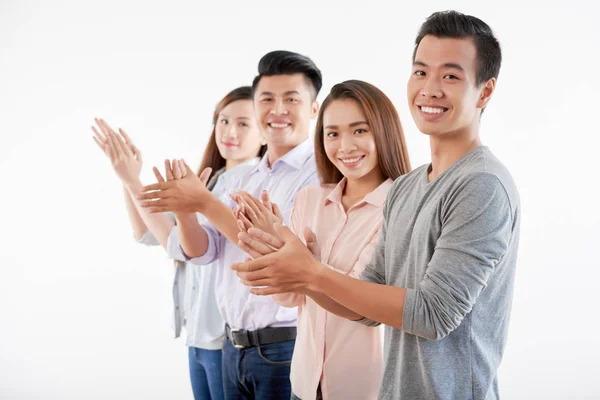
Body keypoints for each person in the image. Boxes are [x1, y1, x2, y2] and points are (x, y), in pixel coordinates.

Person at [233, 11, 520, 400]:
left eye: (450, 76)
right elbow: (365, 305)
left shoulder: (481, 184)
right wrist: (298, 270)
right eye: (420, 72)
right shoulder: (407, 188)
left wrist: (312, 272)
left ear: (484, 92)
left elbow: (433, 315)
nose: (430, 88)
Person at [136, 50, 323, 399]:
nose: (278, 110)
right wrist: (187, 211)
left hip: (283, 347)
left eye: (291, 99)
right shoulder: (244, 177)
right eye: (267, 99)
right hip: (233, 346)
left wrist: (203, 202)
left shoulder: (319, 174)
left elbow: (275, 251)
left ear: (313, 110)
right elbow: (203, 252)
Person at [233, 79, 411, 400]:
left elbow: (365, 306)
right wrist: (272, 253)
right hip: (303, 382)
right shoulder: (309, 201)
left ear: (384, 131)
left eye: (359, 131)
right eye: (333, 133)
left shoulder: (401, 209)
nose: (345, 146)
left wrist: (305, 270)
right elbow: (292, 300)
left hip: (365, 388)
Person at [91, 85, 266, 400]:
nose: (230, 131)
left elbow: (175, 244)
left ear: (264, 133)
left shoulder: (252, 185)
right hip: (198, 335)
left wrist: (133, 180)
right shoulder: (211, 181)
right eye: (223, 121)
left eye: (243, 123)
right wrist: (128, 178)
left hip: (226, 338)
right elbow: (147, 233)